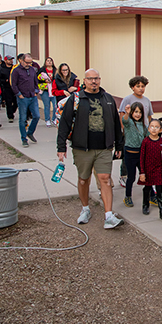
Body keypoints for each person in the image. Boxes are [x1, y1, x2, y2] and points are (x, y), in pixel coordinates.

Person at [56, 68, 125, 230]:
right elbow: (64, 124)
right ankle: (85, 208)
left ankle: (108, 216)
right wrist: (61, 147)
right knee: (83, 179)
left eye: (96, 78)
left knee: (105, 179)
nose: (94, 81)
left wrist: (119, 144)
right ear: (84, 81)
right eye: (90, 79)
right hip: (82, 148)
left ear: (100, 80)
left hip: (104, 148)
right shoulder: (76, 99)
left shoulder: (107, 98)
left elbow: (116, 123)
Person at [117, 76, 153, 187]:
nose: (141, 88)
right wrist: (124, 130)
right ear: (133, 87)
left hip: (143, 132)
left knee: (142, 154)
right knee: (127, 155)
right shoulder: (128, 99)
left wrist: (150, 130)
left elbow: (149, 116)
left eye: (143, 86)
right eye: (138, 86)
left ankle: (144, 175)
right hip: (130, 131)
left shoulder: (146, 100)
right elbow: (122, 114)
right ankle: (124, 176)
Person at [139, 119, 162, 221]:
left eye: (157, 127)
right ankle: (145, 205)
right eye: (152, 126)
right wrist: (142, 172)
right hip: (147, 170)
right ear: (148, 128)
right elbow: (141, 157)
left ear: (160, 129)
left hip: (158, 170)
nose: (154, 129)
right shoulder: (146, 141)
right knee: (147, 188)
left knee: (159, 190)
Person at [120, 102, 147, 211]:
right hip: (130, 154)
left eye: (140, 112)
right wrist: (126, 113)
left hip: (141, 155)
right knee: (131, 177)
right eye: (136, 112)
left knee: (145, 175)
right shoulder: (129, 123)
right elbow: (124, 120)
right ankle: (128, 196)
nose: (138, 114)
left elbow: (149, 138)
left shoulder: (144, 126)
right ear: (132, 112)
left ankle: (151, 195)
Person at [10, 53, 40, 148]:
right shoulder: (16, 71)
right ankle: (24, 138)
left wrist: (36, 91)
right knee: (23, 119)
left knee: (36, 116)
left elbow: (36, 81)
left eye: (30, 62)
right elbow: (13, 84)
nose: (28, 64)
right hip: (23, 97)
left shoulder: (32, 70)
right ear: (21, 61)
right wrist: (19, 94)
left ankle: (30, 132)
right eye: (27, 62)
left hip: (32, 96)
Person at [37, 56, 58, 127]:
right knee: (47, 105)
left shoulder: (55, 70)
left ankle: (54, 119)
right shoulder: (42, 70)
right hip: (45, 90)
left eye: (50, 61)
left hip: (53, 90)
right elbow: (37, 79)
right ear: (45, 62)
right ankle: (47, 120)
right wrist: (44, 80)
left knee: (55, 105)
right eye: (48, 61)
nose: (49, 62)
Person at [0, 56, 17, 122]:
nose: (11, 61)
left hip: (15, 87)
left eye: (11, 60)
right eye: (9, 60)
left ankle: (13, 110)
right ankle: (10, 116)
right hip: (7, 88)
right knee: (8, 102)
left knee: (16, 101)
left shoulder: (14, 68)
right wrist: (5, 81)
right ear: (5, 61)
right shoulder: (2, 69)